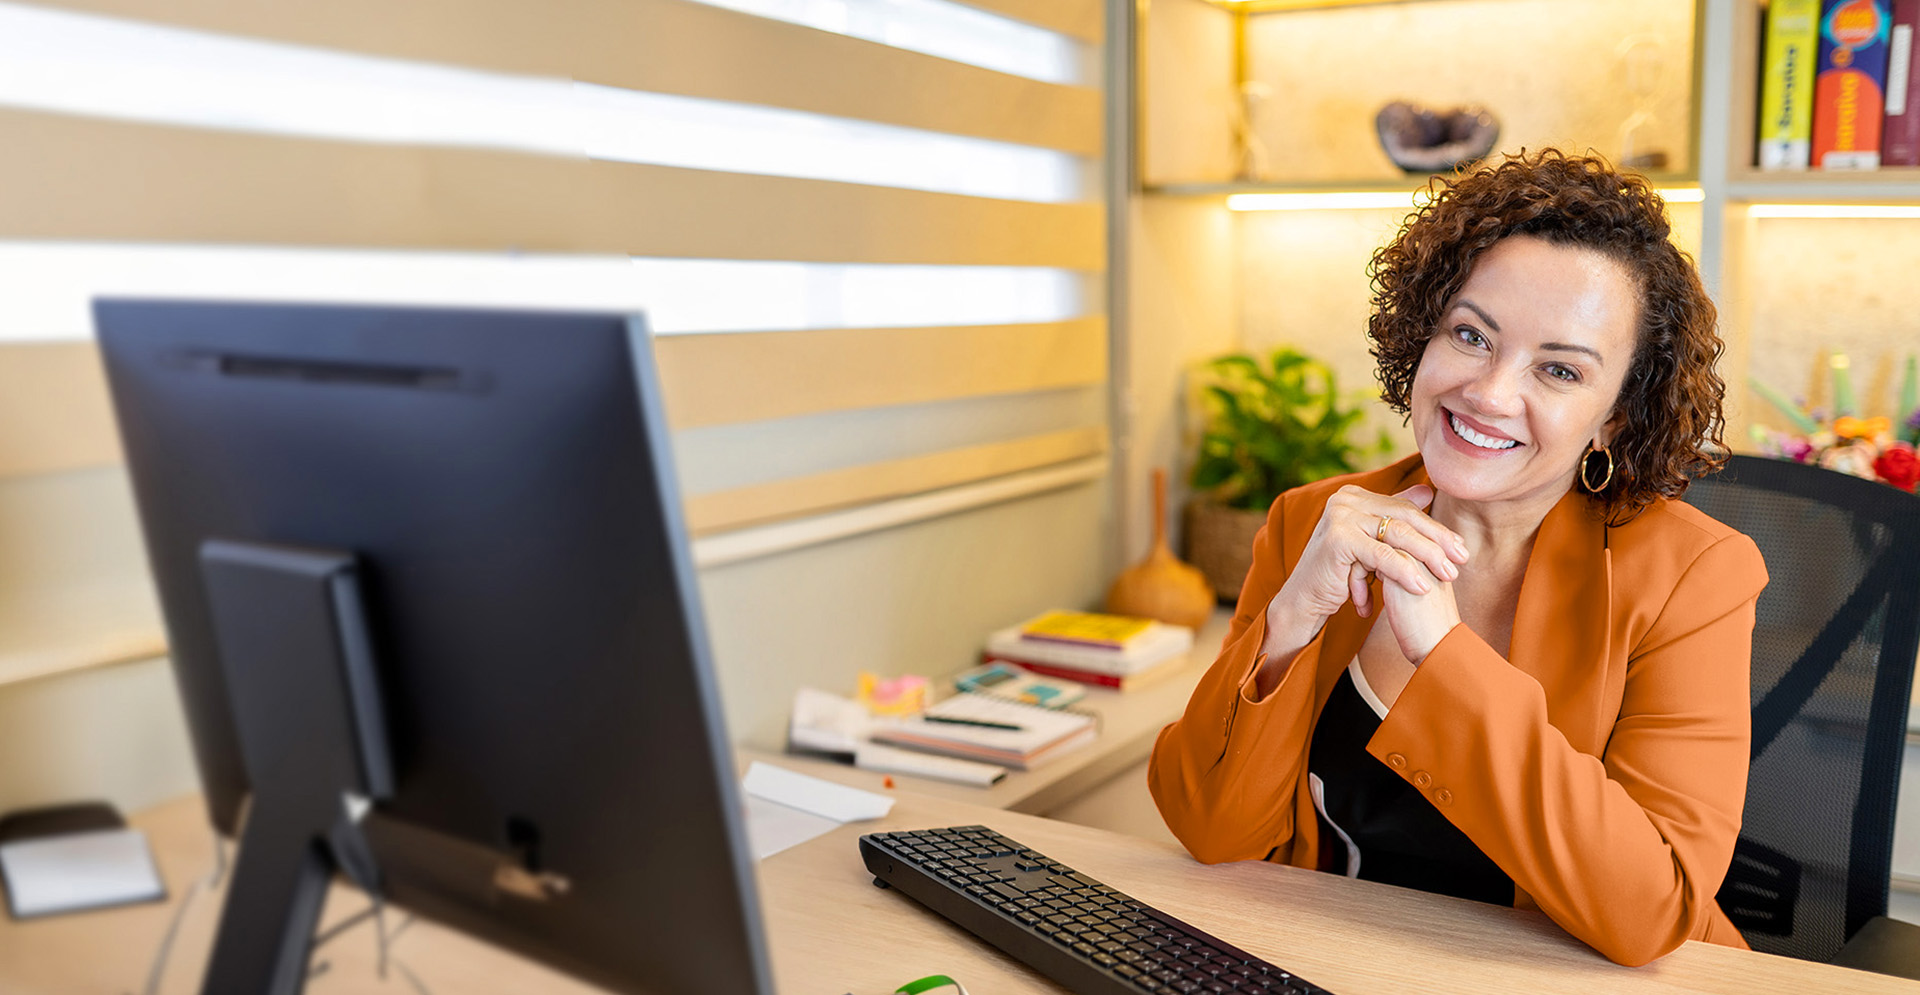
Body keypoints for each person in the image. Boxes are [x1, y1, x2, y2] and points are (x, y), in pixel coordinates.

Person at [1148, 149, 1768, 967]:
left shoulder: (1697, 576)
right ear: (1423, 332)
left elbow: (1650, 909)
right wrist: (1291, 619)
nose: (1488, 391)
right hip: (1332, 960)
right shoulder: (1313, 523)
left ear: (1615, 418)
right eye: (1471, 334)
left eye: (1558, 368)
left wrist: (1443, 653)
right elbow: (1212, 826)